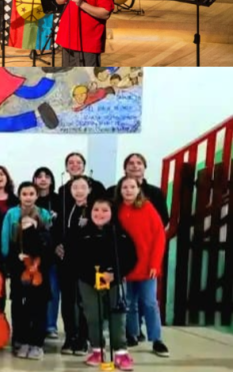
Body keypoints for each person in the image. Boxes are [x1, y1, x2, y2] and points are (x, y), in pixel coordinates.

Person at [73, 198, 136, 370]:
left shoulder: (120, 234)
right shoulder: (82, 234)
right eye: (96, 210)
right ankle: (96, 349)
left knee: (117, 316)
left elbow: (130, 259)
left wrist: (114, 275)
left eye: (104, 210)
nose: (99, 214)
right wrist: (93, 277)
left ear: (112, 213)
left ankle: (121, 353)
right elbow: (75, 259)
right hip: (89, 283)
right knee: (93, 316)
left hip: (114, 282)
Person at [116, 177, 169, 357]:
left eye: (132, 187)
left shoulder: (147, 208)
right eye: (125, 187)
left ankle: (157, 339)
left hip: (147, 266)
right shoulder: (118, 210)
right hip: (126, 267)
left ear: (139, 189)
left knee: (149, 302)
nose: (129, 190)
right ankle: (132, 334)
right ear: (120, 190)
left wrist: (155, 263)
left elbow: (159, 236)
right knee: (129, 304)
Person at [1, 183, 54, 360]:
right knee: (19, 305)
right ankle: (20, 340)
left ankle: (36, 343)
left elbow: (48, 241)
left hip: (39, 267)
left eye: (32, 193)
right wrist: (10, 259)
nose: (28, 197)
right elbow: (5, 239)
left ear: (37, 196)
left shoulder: (44, 214)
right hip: (19, 267)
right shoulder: (11, 214)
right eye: (24, 193)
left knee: (38, 307)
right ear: (19, 196)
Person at [54, 175, 91, 356]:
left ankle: (83, 339)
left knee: (84, 302)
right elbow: (56, 232)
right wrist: (57, 245)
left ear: (89, 190)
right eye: (75, 187)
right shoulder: (65, 209)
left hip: (86, 263)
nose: (78, 190)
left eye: (82, 187)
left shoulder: (93, 209)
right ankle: (70, 336)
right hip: (66, 262)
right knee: (68, 301)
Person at [111, 154, 168, 226]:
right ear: (125, 168)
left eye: (139, 163)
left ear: (144, 167)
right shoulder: (111, 191)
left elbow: (163, 219)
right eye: (131, 163)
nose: (135, 166)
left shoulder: (156, 192)